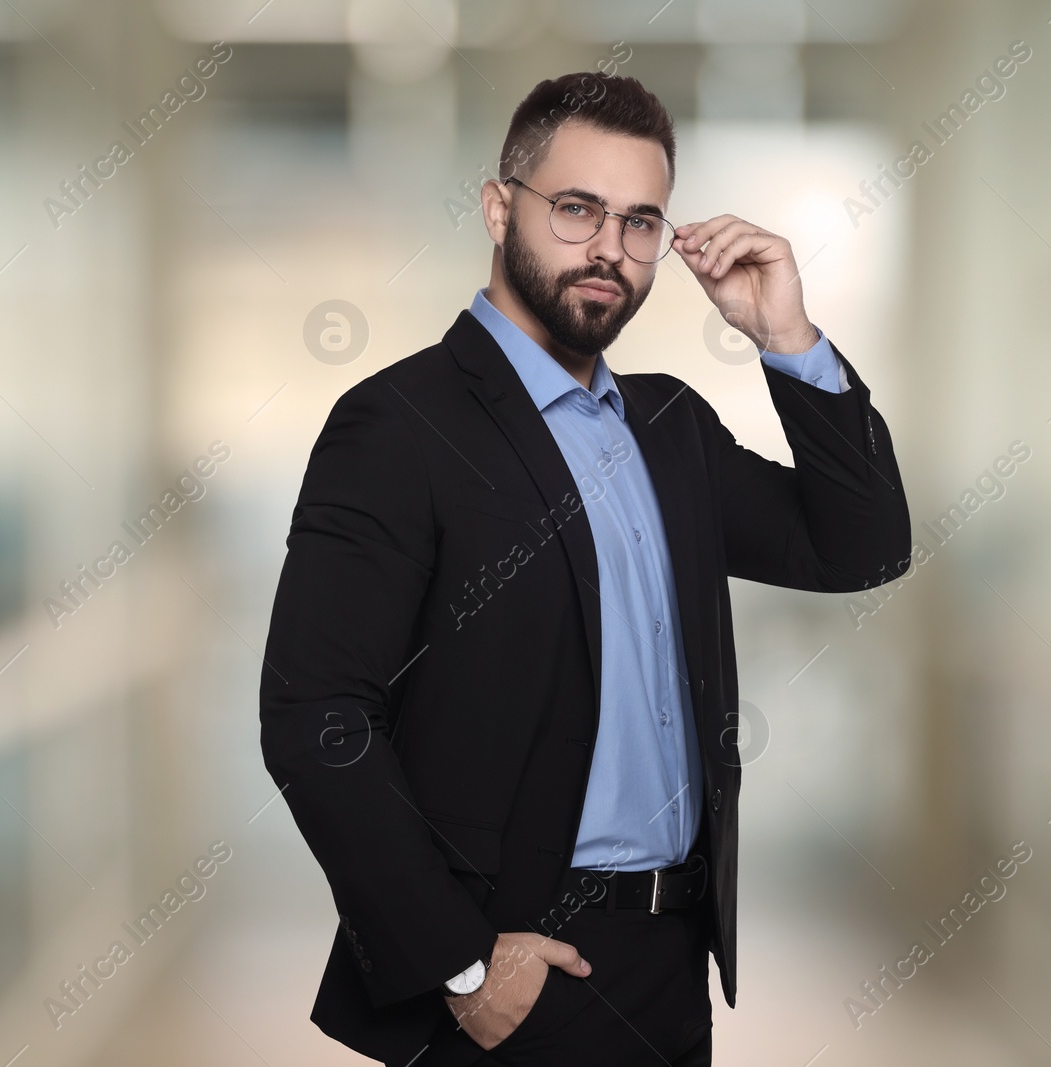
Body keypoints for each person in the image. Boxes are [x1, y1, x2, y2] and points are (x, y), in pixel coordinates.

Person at [259, 71, 911, 1066]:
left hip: (668, 955)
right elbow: (316, 720)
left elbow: (861, 544)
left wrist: (786, 337)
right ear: (496, 206)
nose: (609, 247)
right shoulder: (399, 426)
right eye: (576, 209)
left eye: (640, 220)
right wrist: (462, 966)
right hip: (511, 966)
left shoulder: (668, 426)